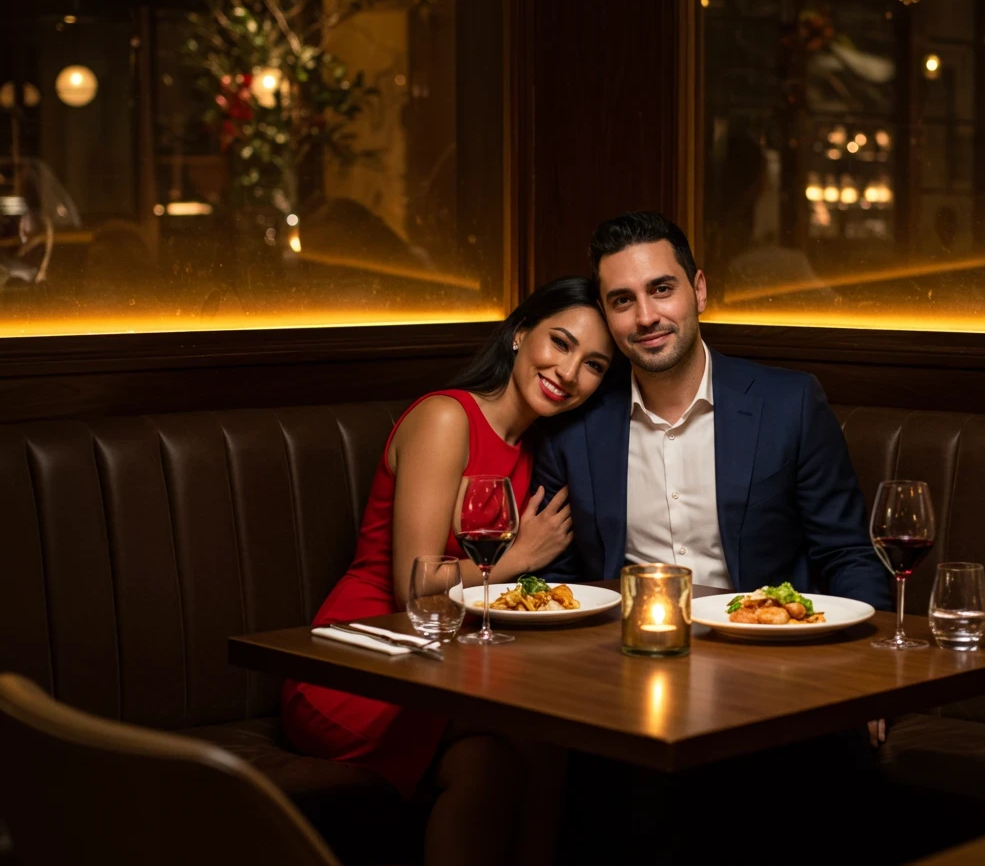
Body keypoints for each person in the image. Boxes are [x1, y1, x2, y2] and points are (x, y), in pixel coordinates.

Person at [281, 276, 615, 865]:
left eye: (592, 364)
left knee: (499, 764)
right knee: (538, 738)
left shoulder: (541, 446)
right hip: (361, 661)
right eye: (559, 343)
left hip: (448, 666)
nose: (568, 373)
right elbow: (418, 582)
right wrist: (519, 559)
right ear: (519, 334)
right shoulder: (446, 418)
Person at [533, 211, 890, 611]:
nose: (646, 316)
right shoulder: (573, 427)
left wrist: (870, 658)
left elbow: (848, 555)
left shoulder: (790, 404)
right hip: (625, 653)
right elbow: (557, 583)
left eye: (662, 289)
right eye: (622, 300)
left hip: (766, 653)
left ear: (699, 290)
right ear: (605, 312)